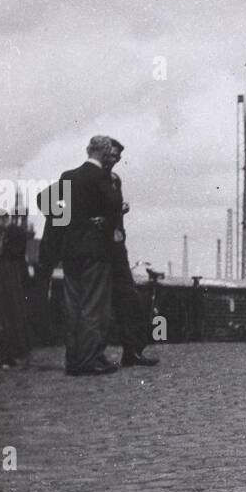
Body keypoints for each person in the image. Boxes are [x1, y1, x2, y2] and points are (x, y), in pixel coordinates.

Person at [53, 137, 120, 375]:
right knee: (93, 305)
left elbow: (48, 202)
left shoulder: (68, 175)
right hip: (94, 249)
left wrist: (71, 222)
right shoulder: (101, 177)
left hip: (70, 249)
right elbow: (114, 205)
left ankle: (73, 360)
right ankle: (89, 360)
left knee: (73, 306)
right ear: (103, 153)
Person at [100, 138, 159, 368]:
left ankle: (131, 351)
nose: (116, 160)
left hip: (117, 246)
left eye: (118, 157)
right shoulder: (95, 180)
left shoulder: (115, 180)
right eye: (113, 155)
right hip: (101, 248)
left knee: (129, 299)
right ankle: (100, 353)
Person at [0, 209, 32, 369]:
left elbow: (13, 254)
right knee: (7, 316)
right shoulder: (0, 232)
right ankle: (11, 352)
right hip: (5, 280)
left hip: (10, 279)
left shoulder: (13, 232)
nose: (2, 219)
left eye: (4, 216)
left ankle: (13, 352)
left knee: (10, 315)